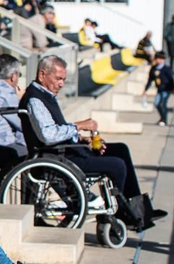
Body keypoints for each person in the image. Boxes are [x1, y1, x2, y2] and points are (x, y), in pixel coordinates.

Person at [23, 55, 163, 229]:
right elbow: (48, 135)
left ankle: (138, 208)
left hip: (64, 150)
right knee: (117, 165)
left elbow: (54, 128)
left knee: (120, 149)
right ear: (42, 75)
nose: (61, 84)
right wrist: (79, 126)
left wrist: (80, 138)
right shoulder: (35, 99)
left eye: (63, 80)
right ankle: (122, 212)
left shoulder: (45, 95)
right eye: (58, 79)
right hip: (57, 157)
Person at [145, 49, 174, 126]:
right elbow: (150, 79)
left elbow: (171, 79)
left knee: (163, 104)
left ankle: (164, 120)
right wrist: (146, 89)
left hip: (166, 89)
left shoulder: (166, 69)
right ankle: (162, 117)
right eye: (157, 59)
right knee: (157, 103)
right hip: (159, 89)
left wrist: (172, 89)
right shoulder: (154, 69)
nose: (159, 60)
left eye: (161, 59)